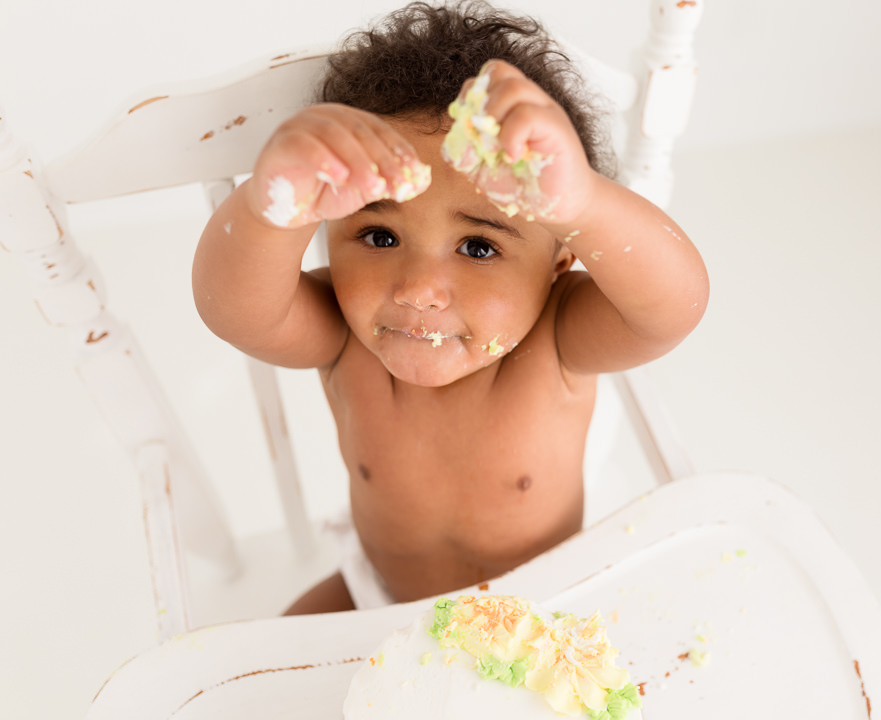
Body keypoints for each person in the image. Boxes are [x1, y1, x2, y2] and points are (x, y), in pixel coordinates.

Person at [192, 0, 708, 614]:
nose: (418, 289)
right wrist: (268, 205)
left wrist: (584, 204)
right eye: (380, 237)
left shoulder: (560, 338)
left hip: (546, 610)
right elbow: (235, 311)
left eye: (478, 246)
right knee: (272, 675)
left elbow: (672, 309)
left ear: (559, 261)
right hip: (381, 598)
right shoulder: (340, 333)